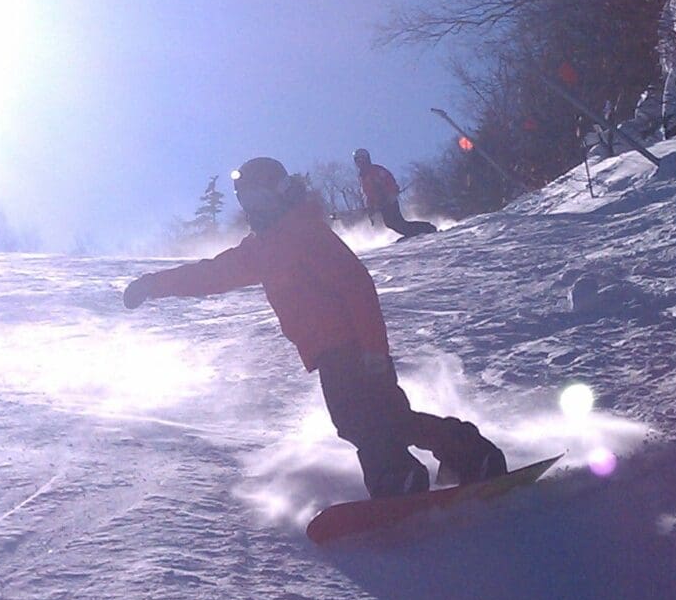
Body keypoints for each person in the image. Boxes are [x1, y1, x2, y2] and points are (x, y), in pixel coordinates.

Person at [123, 157, 503, 498]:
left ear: (280, 192)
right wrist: (153, 284)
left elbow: (359, 289)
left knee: (357, 421)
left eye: (258, 198)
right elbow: (211, 274)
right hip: (332, 351)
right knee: (393, 420)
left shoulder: (306, 233)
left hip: (350, 348)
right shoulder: (261, 247)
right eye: (246, 202)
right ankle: (472, 455)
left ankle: (397, 477)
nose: (253, 209)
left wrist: (373, 350)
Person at [352, 148, 437, 238]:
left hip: (388, 200)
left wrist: (392, 193)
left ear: (367, 159)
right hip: (380, 203)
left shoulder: (376, 170)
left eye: (362, 159)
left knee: (396, 222)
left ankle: (426, 228)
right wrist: (371, 207)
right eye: (358, 160)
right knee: (390, 223)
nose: (360, 163)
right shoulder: (363, 177)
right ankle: (414, 231)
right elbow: (368, 194)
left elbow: (389, 180)